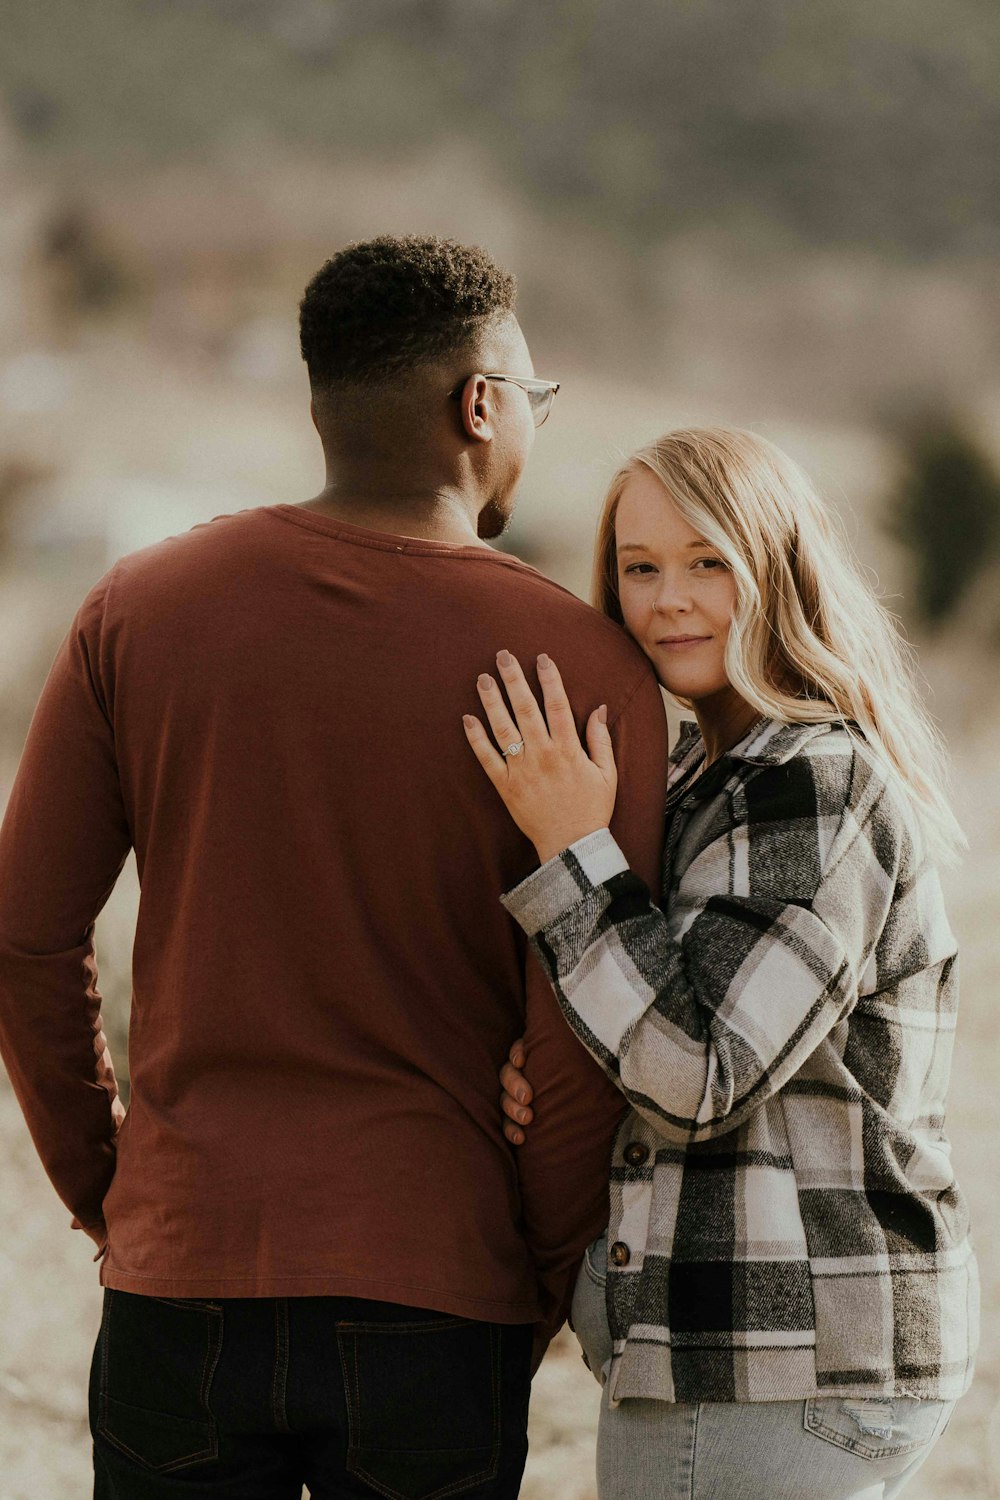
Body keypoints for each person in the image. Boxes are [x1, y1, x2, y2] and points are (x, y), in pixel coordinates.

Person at [0, 235, 670, 1499]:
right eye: (533, 393)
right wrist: (530, 1264)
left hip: (180, 1273)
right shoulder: (583, 670)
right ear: (481, 405)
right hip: (441, 1285)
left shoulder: (135, 610)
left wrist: (118, 1189)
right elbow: (579, 1024)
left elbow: (25, 934)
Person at [463, 427, 979, 1500]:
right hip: (783, 1348)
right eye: (639, 568)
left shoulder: (807, 780)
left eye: (708, 562)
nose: (668, 601)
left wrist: (572, 854)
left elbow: (696, 1076)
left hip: (771, 1361)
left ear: (774, 570)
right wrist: (556, 1063)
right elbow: (671, 1012)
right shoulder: (713, 769)